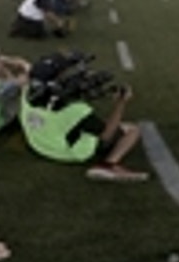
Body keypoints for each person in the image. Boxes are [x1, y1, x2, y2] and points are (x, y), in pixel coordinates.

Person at [18, 56, 149, 182]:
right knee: (132, 129)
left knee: (66, 124)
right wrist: (121, 103)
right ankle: (109, 165)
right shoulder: (77, 110)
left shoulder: (26, 93)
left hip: (37, 144)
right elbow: (106, 136)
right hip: (66, 152)